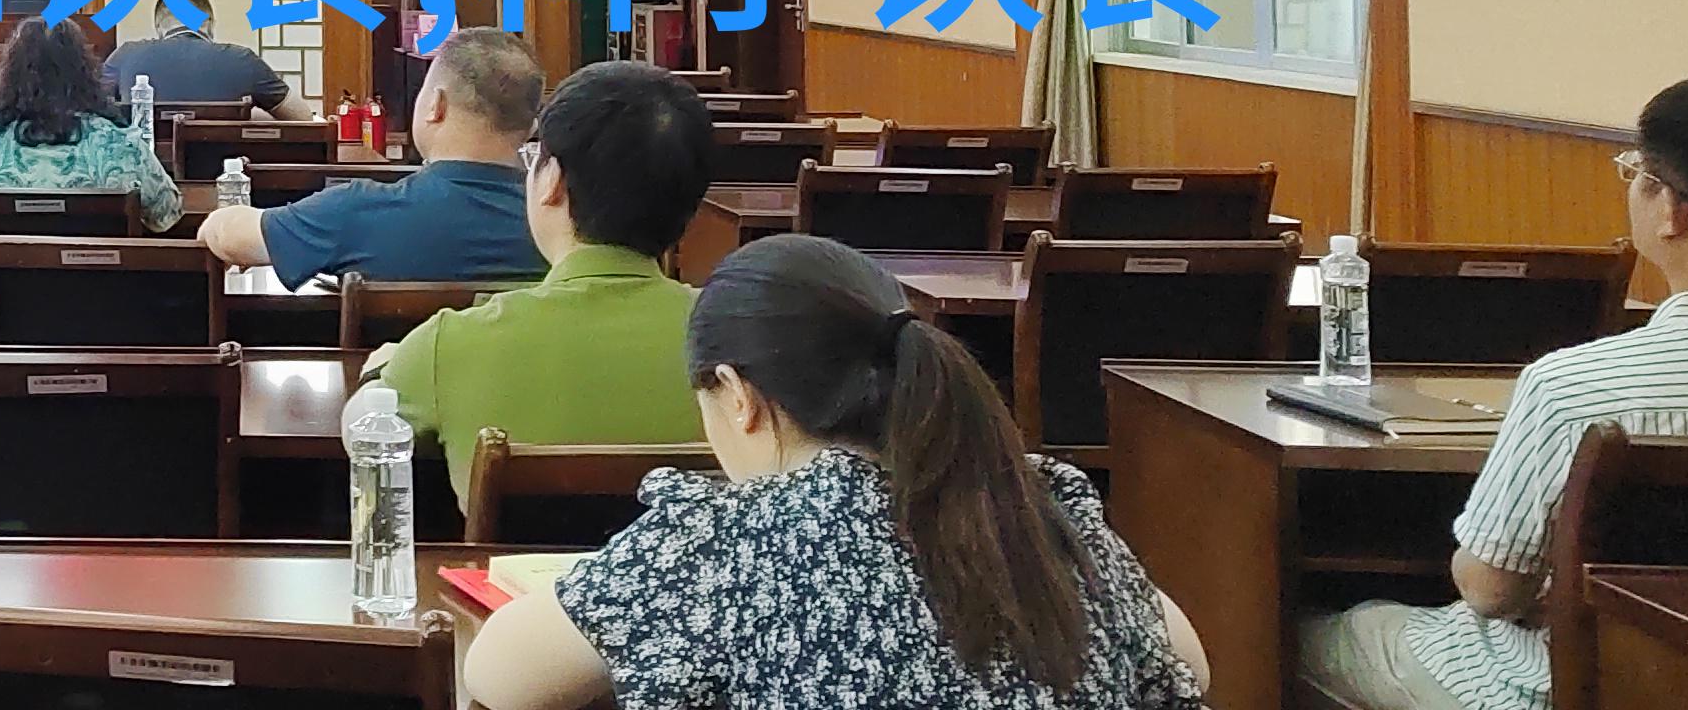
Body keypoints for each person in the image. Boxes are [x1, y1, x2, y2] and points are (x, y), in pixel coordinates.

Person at [462, 233, 1211, 710]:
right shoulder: (1038, 506)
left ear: (737, 395)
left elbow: (498, 674)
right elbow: (1187, 664)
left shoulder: (728, 541)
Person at [1296, 73, 1688, 710]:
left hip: (1556, 686)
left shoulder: (1574, 387)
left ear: (1671, 212)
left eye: (1637, 174)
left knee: (1300, 633)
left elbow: (1490, 590)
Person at [376, 61, 715, 513]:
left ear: (552, 181)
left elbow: (365, 434)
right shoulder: (741, 342)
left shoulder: (448, 344)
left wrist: (383, 369)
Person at [201, 27, 547, 286]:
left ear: (436, 105)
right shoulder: (562, 221)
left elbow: (228, 238)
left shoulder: (356, 209)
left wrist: (225, 215)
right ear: (532, 125)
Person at [0, 18, 182, 232]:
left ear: (9, 74)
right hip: (98, 260)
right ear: (84, 71)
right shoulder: (117, 141)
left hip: (5, 260)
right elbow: (166, 214)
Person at [104, 0, 315, 121]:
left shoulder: (125, 55)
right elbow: (302, 118)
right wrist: (248, 116)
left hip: (143, 173)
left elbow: (90, 111)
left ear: (158, 27)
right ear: (210, 24)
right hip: (225, 172)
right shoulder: (242, 59)